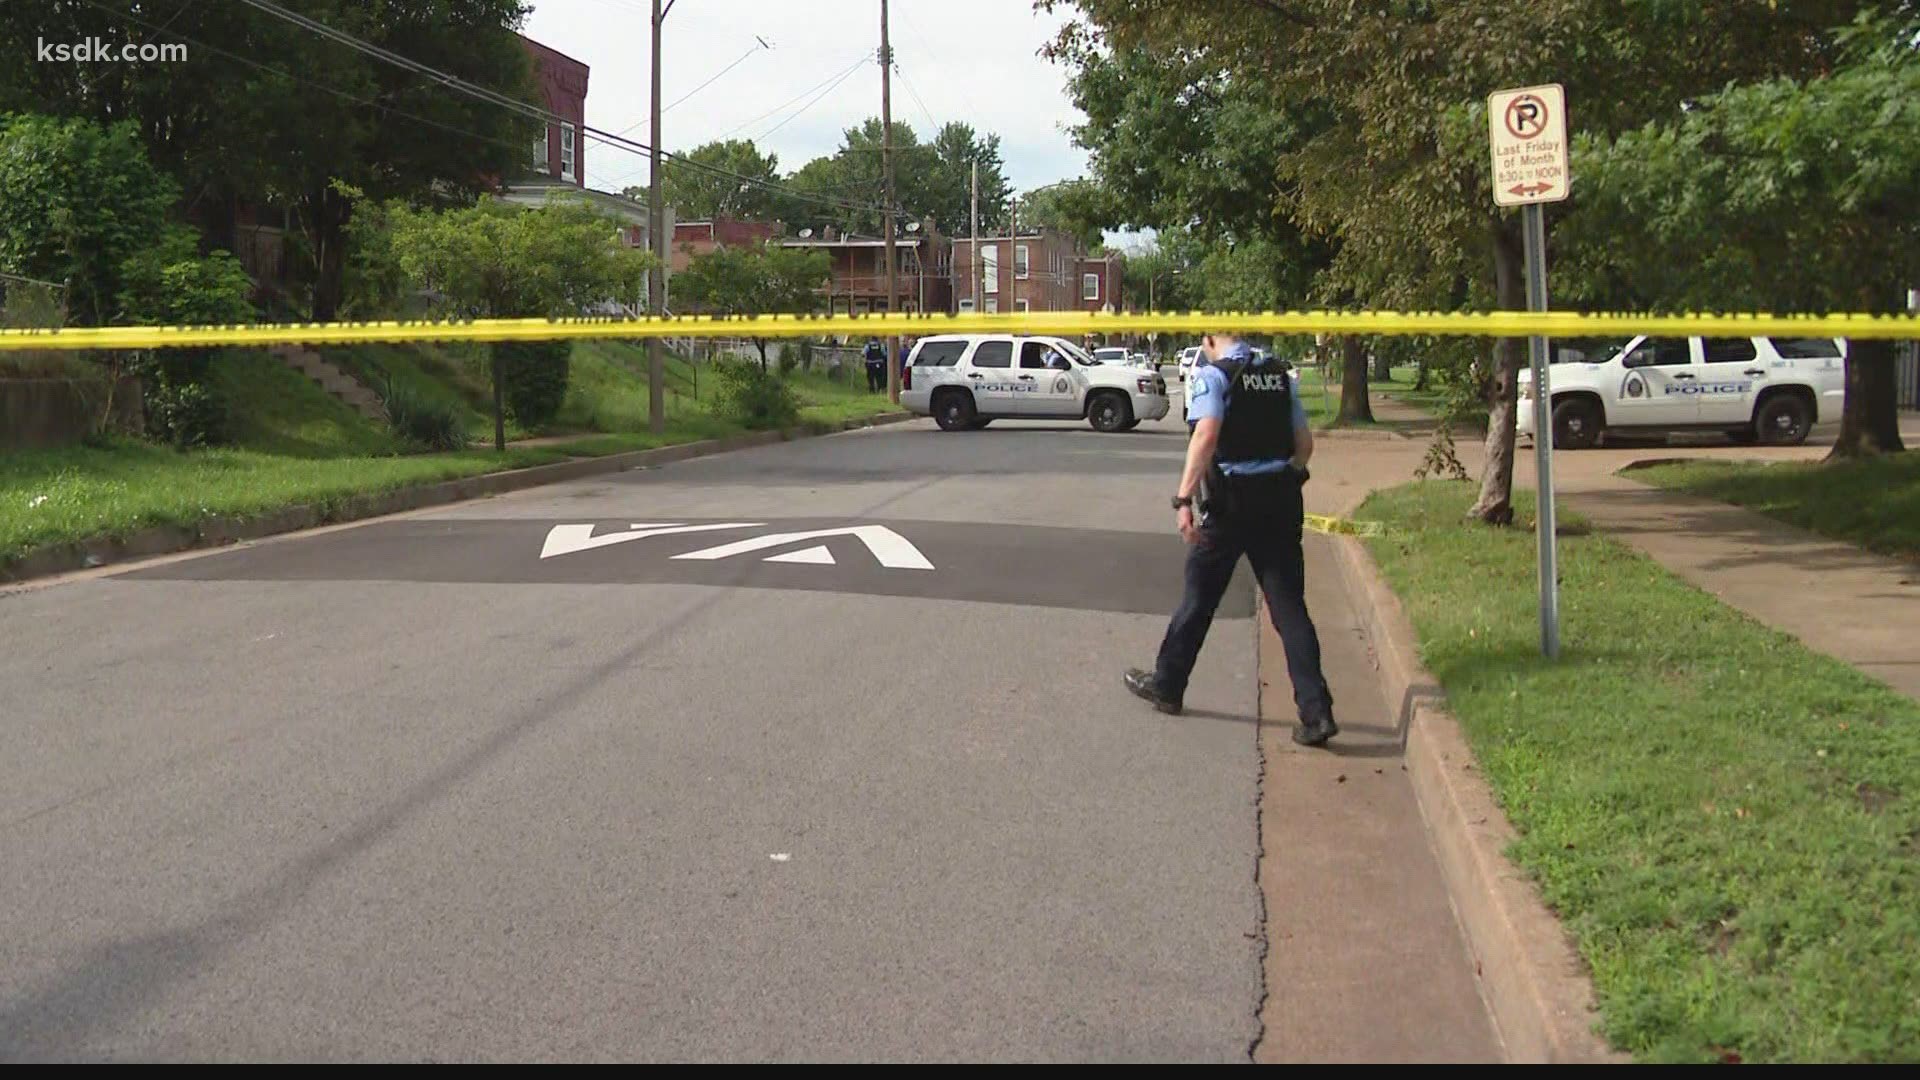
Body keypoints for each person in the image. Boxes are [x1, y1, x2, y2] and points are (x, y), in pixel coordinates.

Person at [1124, 331, 1338, 747]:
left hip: (1231, 504)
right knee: (1289, 607)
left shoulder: (1214, 376)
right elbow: (1304, 444)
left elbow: (1205, 435)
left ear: (1209, 338)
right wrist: (1286, 471)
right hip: (1280, 498)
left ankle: (1168, 685)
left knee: (1199, 599)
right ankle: (1317, 712)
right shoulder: (1279, 375)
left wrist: (1183, 498)